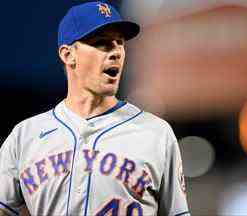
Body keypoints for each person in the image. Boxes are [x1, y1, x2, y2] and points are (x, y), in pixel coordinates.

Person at [0, 1, 190, 215]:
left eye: (120, 43)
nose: (116, 52)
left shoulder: (156, 133)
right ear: (68, 55)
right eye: (102, 43)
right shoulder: (25, 136)